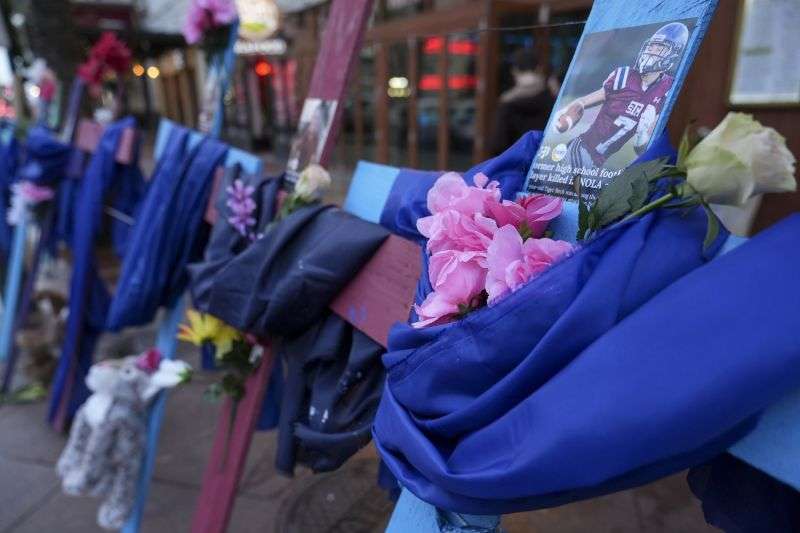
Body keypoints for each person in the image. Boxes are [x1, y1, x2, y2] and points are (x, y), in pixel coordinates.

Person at [554, 22, 689, 172]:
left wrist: (642, 135)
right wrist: (570, 115)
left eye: (660, 48)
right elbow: (583, 102)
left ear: (673, 55)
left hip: (598, 162)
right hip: (581, 149)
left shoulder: (667, 89)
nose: (651, 52)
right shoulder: (624, 76)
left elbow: (641, 150)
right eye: (651, 47)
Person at [490, 48, 555, 155]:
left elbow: (498, 144)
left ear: (514, 70)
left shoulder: (507, 102)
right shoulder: (551, 99)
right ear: (538, 68)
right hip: (542, 162)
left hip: (515, 164)